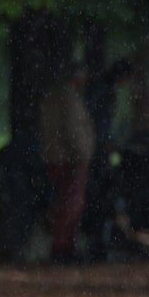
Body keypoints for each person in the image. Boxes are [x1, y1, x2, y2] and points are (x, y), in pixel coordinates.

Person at [39, 61, 96, 263]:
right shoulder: (69, 98)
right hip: (69, 159)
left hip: (56, 156)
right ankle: (63, 248)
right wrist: (83, 153)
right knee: (70, 204)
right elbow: (73, 130)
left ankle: (61, 246)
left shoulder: (52, 96)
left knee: (63, 204)